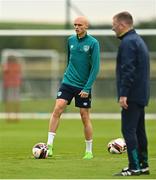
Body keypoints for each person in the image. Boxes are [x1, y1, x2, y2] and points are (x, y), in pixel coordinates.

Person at [47, 16, 100, 159]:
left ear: (86, 26)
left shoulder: (93, 43)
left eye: (80, 25)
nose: (77, 27)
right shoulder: (70, 40)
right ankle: (49, 146)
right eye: (75, 25)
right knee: (58, 107)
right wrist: (67, 75)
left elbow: (95, 68)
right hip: (68, 82)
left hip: (84, 86)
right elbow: (70, 60)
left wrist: (87, 88)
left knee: (84, 116)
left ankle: (89, 151)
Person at [112, 11, 150, 176]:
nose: (113, 28)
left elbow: (128, 70)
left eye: (114, 25)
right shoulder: (138, 40)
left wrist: (124, 93)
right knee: (139, 130)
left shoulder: (128, 42)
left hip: (132, 95)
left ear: (121, 25)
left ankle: (134, 166)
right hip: (141, 93)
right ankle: (143, 165)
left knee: (128, 130)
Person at [2, 55, 22, 121]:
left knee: (11, 101)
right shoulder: (16, 66)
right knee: (13, 101)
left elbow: (5, 72)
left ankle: (11, 117)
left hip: (12, 85)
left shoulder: (9, 66)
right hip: (12, 85)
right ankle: (13, 117)